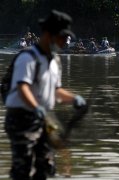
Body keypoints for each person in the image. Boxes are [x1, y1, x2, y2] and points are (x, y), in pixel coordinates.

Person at [4, 10, 87, 180]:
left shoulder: (55, 61)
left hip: (44, 119)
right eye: (62, 37)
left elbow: (56, 91)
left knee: (47, 166)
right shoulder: (27, 57)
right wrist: (36, 107)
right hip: (21, 119)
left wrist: (74, 99)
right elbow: (23, 87)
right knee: (23, 168)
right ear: (49, 35)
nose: (64, 42)